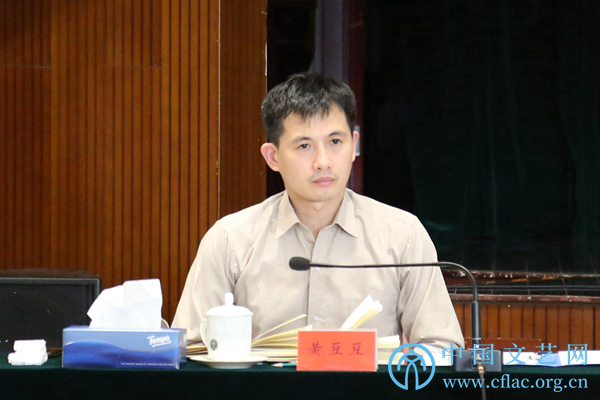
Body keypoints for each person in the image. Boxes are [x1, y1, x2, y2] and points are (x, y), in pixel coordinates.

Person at [172, 73, 464, 352]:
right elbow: (192, 350)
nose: (323, 161)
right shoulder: (230, 240)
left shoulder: (402, 235)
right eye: (304, 145)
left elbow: (441, 346)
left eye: (335, 142)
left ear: (354, 145)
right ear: (273, 157)